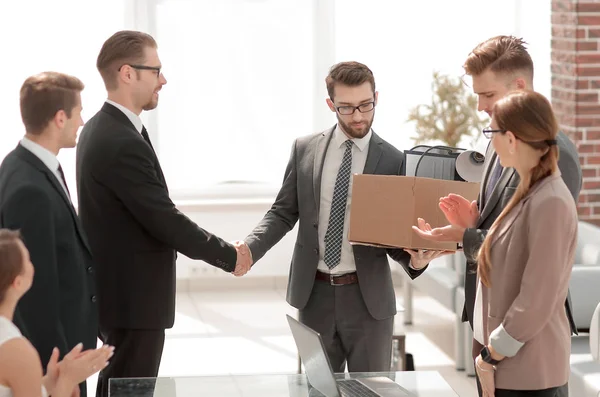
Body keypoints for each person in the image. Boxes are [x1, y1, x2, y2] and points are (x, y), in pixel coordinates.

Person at [235, 61, 448, 372]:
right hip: (314, 294)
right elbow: (282, 212)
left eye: (366, 105)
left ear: (377, 97)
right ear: (330, 104)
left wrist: (415, 260)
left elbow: (392, 235)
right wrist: (251, 248)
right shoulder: (304, 149)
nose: (359, 116)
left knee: (372, 392)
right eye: (346, 108)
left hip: (368, 301)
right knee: (318, 389)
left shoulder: (394, 160)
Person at [75, 30, 251, 397]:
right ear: (127, 73)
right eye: (156, 70)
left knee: (118, 387)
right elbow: (163, 218)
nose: (163, 79)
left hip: (121, 298)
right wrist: (229, 255)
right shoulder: (119, 139)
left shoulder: (103, 128)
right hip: (133, 303)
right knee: (128, 391)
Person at [413, 36, 581, 397]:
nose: (479, 108)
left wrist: (461, 238)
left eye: (487, 96)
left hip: (520, 337)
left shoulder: (556, 155)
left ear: (518, 88)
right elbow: (506, 231)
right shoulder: (495, 142)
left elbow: (538, 263)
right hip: (488, 322)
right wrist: (468, 227)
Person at [0, 72, 98, 396]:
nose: (82, 121)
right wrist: (58, 371)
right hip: (55, 358)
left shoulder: (25, 164)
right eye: (78, 112)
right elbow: (36, 294)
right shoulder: (30, 189)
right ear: (60, 118)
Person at [0, 229, 113, 397]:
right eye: (28, 261)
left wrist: (50, 382)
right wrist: (68, 381)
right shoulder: (18, 351)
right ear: (18, 282)